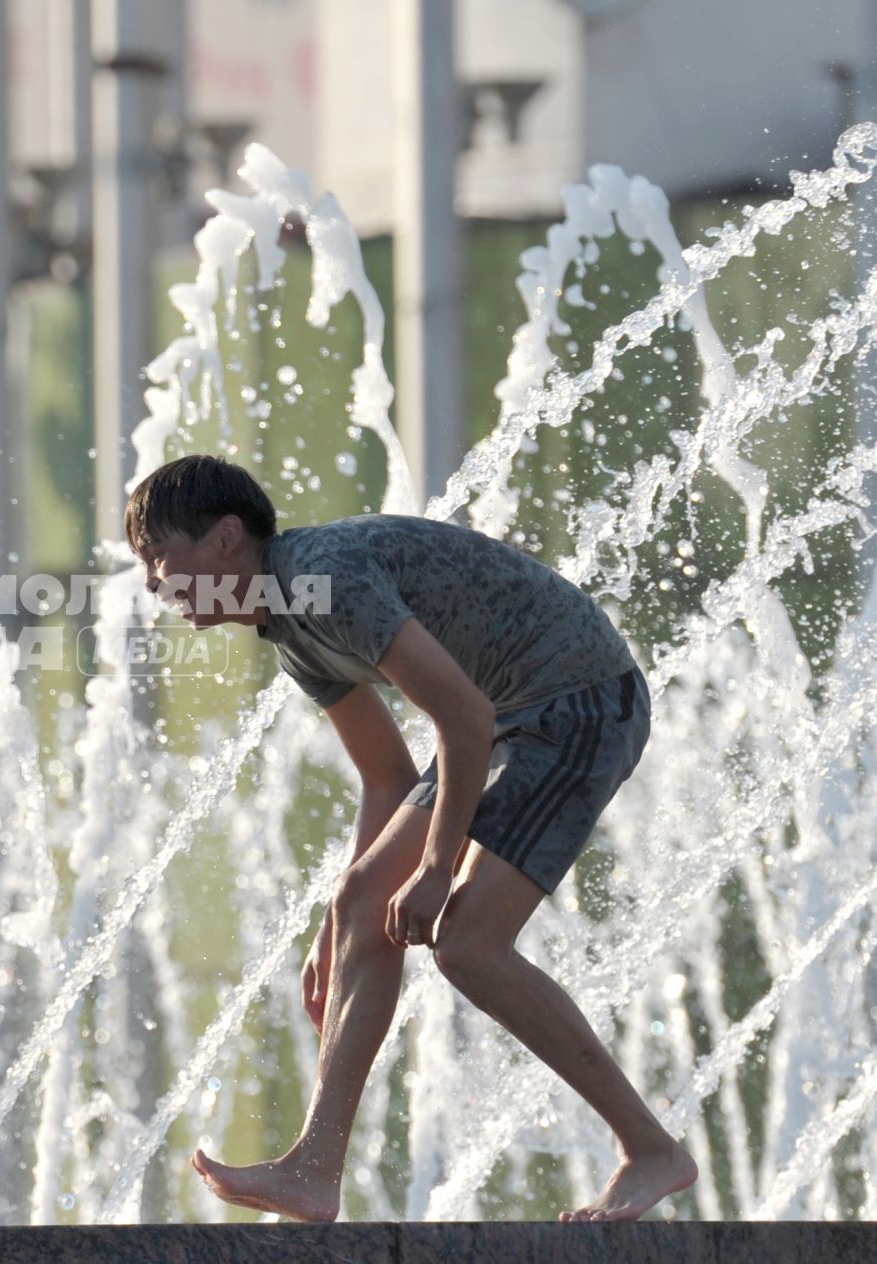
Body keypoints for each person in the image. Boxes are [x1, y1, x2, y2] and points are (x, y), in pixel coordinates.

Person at [124, 454, 698, 1224]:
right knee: (362, 899)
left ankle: (650, 1148)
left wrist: (435, 869)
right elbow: (388, 778)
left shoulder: (321, 581)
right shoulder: (290, 625)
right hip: (508, 714)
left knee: (466, 943)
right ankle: (314, 1168)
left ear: (228, 538)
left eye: (160, 555)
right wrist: (344, 917)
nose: (153, 581)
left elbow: (463, 718)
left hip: (577, 700)